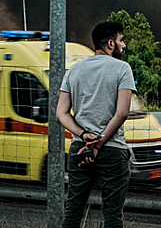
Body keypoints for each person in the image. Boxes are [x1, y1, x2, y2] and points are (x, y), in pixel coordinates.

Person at [57, 21, 135, 228]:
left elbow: (61, 113)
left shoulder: (74, 70)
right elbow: (122, 113)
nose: (123, 45)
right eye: (121, 40)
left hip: (80, 150)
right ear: (111, 43)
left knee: (73, 212)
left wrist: (84, 136)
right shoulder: (123, 69)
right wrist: (99, 143)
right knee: (112, 216)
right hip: (112, 151)